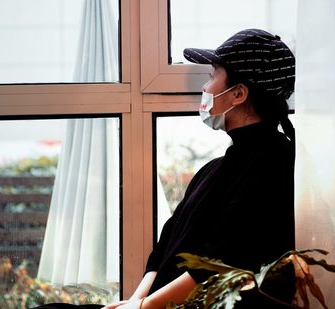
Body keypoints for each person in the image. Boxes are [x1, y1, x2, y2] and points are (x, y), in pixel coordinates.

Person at [35, 28, 296, 309]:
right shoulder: (213, 170)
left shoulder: (274, 165)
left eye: (211, 76)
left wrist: (144, 307)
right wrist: (135, 302)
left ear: (239, 93)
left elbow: (223, 264)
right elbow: (164, 249)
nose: (206, 88)